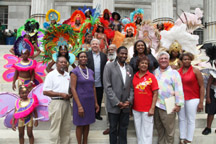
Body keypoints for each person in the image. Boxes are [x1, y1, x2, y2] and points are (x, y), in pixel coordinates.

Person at [103, 46, 134, 144]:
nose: (124, 55)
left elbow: (132, 87)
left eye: (125, 54)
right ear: (117, 53)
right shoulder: (109, 66)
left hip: (125, 106)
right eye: (122, 53)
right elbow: (107, 87)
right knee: (113, 130)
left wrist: (129, 101)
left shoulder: (129, 68)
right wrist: (117, 102)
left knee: (123, 129)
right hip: (114, 105)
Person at [154, 51, 184, 144]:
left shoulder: (174, 73)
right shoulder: (155, 72)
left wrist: (178, 104)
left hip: (169, 104)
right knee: (159, 129)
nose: (163, 60)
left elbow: (179, 89)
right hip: (156, 104)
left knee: (169, 130)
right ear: (158, 60)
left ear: (168, 60)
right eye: (161, 58)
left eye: (165, 58)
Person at [70, 51, 99, 144]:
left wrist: (96, 103)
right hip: (80, 101)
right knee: (80, 124)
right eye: (81, 57)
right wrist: (79, 106)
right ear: (78, 59)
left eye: (85, 57)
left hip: (89, 101)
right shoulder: (74, 72)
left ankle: (85, 142)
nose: (83, 58)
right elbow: (73, 88)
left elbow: (93, 87)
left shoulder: (90, 71)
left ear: (87, 59)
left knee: (87, 123)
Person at [43, 56, 72, 144]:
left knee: (66, 128)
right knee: (55, 128)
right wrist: (60, 94)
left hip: (67, 103)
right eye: (61, 62)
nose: (63, 64)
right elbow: (45, 91)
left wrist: (69, 95)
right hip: (56, 103)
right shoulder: (51, 75)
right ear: (56, 64)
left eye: (65, 62)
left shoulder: (68, 75)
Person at [178, 52, 204, 144]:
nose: (187, 61)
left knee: (190, 119)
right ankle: (182, 137)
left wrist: (201, 102)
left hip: (193, 98)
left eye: (188, 59)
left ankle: (188, 139)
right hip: (181, 99)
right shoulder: (178, 71)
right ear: (181, 60)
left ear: (191, 60)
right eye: (185, 59)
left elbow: (202, 86)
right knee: (181, 118)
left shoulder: (195, 70)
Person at [132, 56, 159, 144]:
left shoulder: (151, 77)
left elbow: (155, 93)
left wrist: (152, 108)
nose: (144, 65)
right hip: (136, 108)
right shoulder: (134, 77)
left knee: (147, 132)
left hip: (147, 109)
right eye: (142, 63)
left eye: (146, 63)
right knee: (138, 131)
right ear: (138, 65)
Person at [86, 39, 107, 120]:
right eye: (93, 44)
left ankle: (97, 114)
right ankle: (90, 114)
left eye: (96, 44)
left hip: (100, 81)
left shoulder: (103, 56)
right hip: (89, 82)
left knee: (99, 98)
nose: (95, 45)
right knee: (89, 99)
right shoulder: (87, 55)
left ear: (99, 46)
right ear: (91, 46)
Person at [103, 44, 117, 135]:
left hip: (117, 89)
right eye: (109, 50)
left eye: (112, 49)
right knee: (108, 109)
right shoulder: (106, 62)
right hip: (107, 89)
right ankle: (109, 126)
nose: (111, 51)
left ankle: (117, 127)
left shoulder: (119, 61)